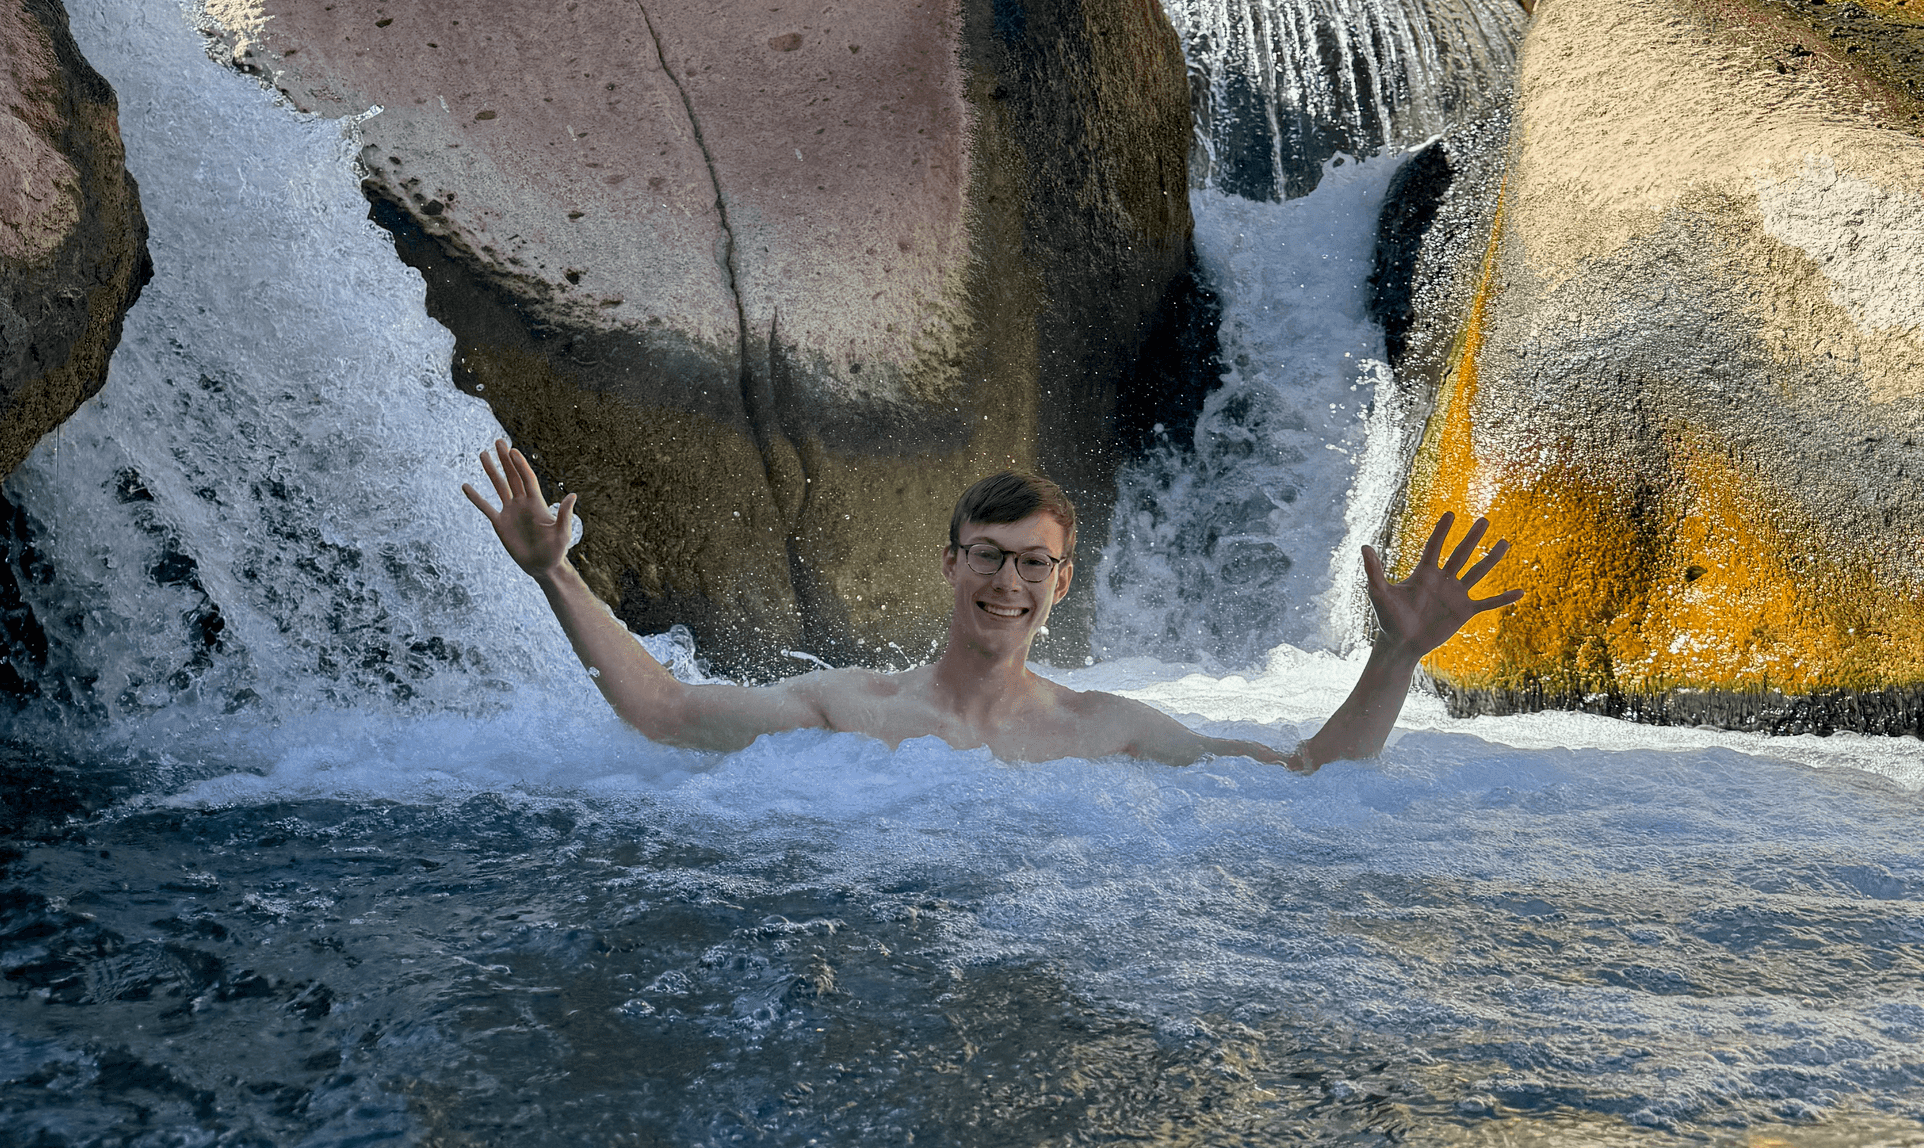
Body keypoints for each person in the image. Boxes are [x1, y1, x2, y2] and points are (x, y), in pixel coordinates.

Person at [461, 445, 1522, 770]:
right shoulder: (848, 709)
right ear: (949, 563)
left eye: (1030, 564)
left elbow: (1304, 779)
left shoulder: (1104, 730)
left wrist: (1397, 653)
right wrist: (551, 572)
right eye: (986, 557)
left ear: (1062, 584)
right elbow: (664, 713)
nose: (1004, 583)